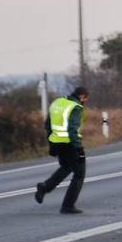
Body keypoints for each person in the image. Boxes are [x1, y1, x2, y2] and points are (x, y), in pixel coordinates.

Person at [35, 86, 89, 214]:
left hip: (57, 142)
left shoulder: (57, 102)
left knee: (66, 167)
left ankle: (44, 188)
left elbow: (47, 125)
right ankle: (68, 206)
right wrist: (79, 149)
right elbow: (72, 129)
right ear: (82, 96)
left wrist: (51, 144)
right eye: (85, 99)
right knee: (79, 174)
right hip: (70, 144)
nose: (85, 102)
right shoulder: (76, 107)